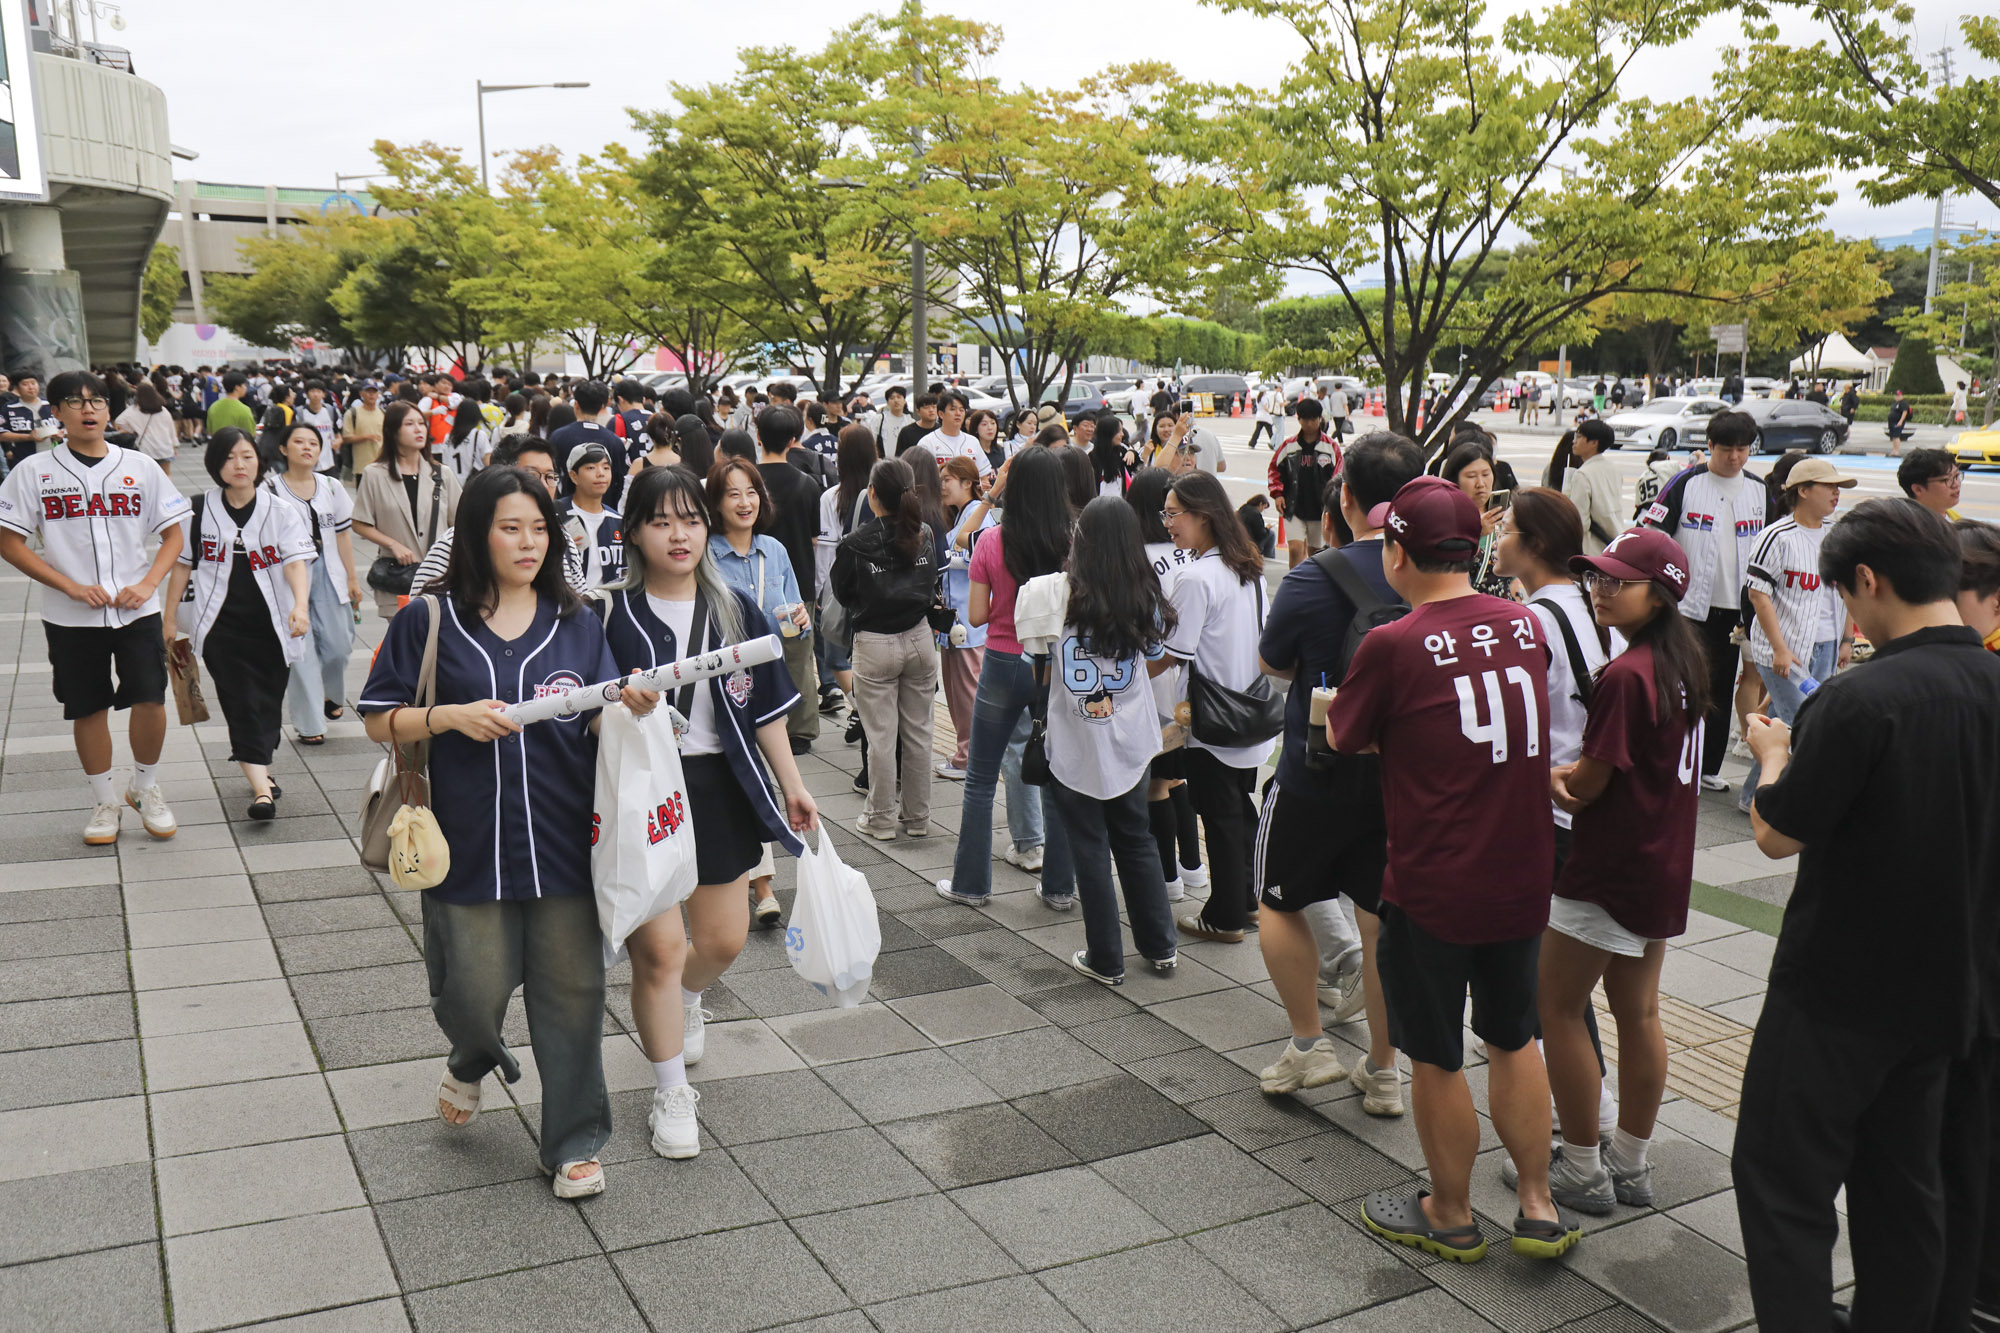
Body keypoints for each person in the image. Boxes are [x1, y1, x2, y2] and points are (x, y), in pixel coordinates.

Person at [1736, 498, 2000, 1331]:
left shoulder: (1860, 699)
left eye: (1846, 594)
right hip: (1946, 993)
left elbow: (1778, 833)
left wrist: (1773, 756)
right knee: (1904, 1185)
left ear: (1869, 581)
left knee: (1784, 1184)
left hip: (1837, 993)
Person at [361, 465, 660, 1199]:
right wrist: (448, 717)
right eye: (510, 527)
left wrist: (633, 706)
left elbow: (598, 714)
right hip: (464, 843)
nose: (528, 543)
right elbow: (377, 717)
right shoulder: (427, 619)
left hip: (562, 838)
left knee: (571, 992)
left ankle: (574, 1141)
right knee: (472, 989)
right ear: (477, 534)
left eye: (538, 529)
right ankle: (471, 1055)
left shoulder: (579, 620)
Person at [1327, 475, 1578, 1263]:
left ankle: (1451, 1209)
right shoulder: (1522, 624)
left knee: (1434, 1054)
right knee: (1514, 1039)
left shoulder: (1393, 644)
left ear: (1397, 551)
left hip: (1434, 879)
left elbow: (1343, 735)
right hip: (1521, 870)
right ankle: (1538, 1205)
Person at [601, 464, 818, 1158]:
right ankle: (669, 1090)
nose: (679, 533)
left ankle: (688, 1000)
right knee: (660, 950)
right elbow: (581, 719)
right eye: (660, 520)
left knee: (722, 939)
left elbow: (767, 712)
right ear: (633, 531)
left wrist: (793, 783)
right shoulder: (610, 615)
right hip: (645, 793)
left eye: (690, 518)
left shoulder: (734, 608)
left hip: (721, 788)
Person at [1533, 527, 1706, 1217]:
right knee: (1639, 1012)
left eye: (1618, 580)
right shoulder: (1683, 664)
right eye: (1598, 577)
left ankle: (1580, 1167)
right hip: (1664, 863)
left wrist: (1548, 778)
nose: (1601, 589)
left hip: (1608, 867)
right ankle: (1630, 1162)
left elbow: (1588, 785)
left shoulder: (1627, 676)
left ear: (1659, 595)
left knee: (1558, 1008)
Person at [1255, 432, 1426, 1115]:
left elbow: (1273, 667)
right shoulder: (1441, 573)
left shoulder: (1310, 578)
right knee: (1380, 920)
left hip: (1313, 770)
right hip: (1399, 781)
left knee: (1276, 898)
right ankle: (1384, 1071)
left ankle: (1308, 1045)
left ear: (1345, 497)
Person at [0, 370, 189, 844]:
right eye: (74, 401)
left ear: (109, 409)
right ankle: (104, 801)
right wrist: (68, 585)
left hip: (135, 610)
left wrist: (148, 583)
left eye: (97, 401)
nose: (88, 409)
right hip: (70, 616)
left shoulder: (138, 466)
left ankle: (143, 787)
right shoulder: (34, 473)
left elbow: (173, 535)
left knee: (150, 697)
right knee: (88, 706)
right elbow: (9, 542)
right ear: (56, 412)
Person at [1047, 496, 1181, 986]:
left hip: (1076, 736)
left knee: (1089, 844)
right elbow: (1154, 655)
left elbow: (1033, 654)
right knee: (1135, 836)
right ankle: (1161, 945)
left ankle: (1107, 957)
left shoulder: (1058, 593)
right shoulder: (1144, 591)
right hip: (1131, 733)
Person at [937, 446, 1076, 903]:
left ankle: (971, 885)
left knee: (979, 778)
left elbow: (976, 615)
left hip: (1000, 659)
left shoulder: (993, 541)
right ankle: (1058, 889)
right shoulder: (1071, 542)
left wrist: (1010, 609)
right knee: (1057, 777)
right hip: (1053, 664)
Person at [163, 429, 313, 817]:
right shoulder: (196, 510)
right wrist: (168, 618)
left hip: (272, 625)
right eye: (229, 457)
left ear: (259, 461)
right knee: (239, 701)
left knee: (266, 702)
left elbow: (296, 562)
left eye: (247, 456)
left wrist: (300, 606)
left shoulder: (281, 510)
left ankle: (261, 766)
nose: (240, 464)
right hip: (220, 629)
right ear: (216, 464)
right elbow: (181, 567)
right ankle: (261, 790)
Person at [1161, 471, 1275, 945]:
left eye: (1173, 514)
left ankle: (1225, 914)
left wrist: (1127, 671)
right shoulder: (1246, 568)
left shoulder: (1194, 576)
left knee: (1221, 814)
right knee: (1238, 808)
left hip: (1211, 716)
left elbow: (1173, 654)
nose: (1167, 523)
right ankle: (1246, 901)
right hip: (1249, 708)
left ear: (1203, 515)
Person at [1638, 408, 1768, 790]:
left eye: (1743, 449)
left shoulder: (1760, 491)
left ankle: (1707, 767)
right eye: (1726, 449)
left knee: (1721, 686)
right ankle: (1667, 758)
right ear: (1709, 446)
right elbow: (1652, 534)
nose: (1735, 457)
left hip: (1736, 611)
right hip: (1686, 606)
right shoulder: (1684, 484)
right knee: (1679, 684)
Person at [707, 455, 812, 921]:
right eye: (733, 493)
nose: (745, 502)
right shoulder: (704, 553)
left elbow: (789, 614)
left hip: (767, 682)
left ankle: (758, 881)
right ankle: (762, 884)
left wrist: (801, 621)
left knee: (764, 769)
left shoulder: (775, 549)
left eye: (751, 492)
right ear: (715, 502)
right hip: (721, 687)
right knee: (744, 771)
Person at [1738, 457, 1856, 810]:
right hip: (1786, 648)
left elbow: (1845, 592)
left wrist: (1846, 639)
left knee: (1792, 718)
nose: (1836, 494)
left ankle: (1752, 794)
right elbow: (1758, 594)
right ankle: (1772, 800)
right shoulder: (1774, 536)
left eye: (1839, 488)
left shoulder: (1837, 534)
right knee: (1800, 723)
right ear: (1803, 491)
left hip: (1826, 644)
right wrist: (1778, 649)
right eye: (1829, 486)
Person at [833, 457, 942, 840]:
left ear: (873, 493)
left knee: (880, 737)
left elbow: (842, 592)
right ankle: (917, 819)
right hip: (920, 637)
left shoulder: (855, 543)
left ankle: (880, 819)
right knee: (919, 733)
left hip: (874, 642)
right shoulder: (924, 533)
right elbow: (931, 580)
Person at [264, 422, 361, 745]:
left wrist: (351, 576)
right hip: (290, 579)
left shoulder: (332, 486)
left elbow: (344, 534)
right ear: (283, 449)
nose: (307, 448)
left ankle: (332, 695)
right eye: (299, 442)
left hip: (330, 576)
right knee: (300, 651)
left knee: (339, 647)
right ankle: (310, 725)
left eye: (314, 443)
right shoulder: (270, 490)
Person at [352, 401, 463, 621]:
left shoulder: (442, 474)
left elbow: (461, 522)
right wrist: (392, 544)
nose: (419, 429)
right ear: (393, 431)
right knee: (405, 648)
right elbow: (360, 523)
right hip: (398, 579)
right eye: (409, 424)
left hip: (439, 577)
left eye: (422, 423)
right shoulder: (374, 474)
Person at [754, 406, 823, 753]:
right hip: (796, 584)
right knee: (797, 657)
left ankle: (756, 718)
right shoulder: (807, 484)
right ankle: (799, 730)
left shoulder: (746, 483)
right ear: (795, 440)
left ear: (758, 435)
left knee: (750, 654)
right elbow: (814, 538)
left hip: (749, 581)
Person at [937, 455, 994, 779]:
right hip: (957, 620)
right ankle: (965, 752)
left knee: (968, 691)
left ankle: (969, 758)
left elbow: (978, 555)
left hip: (968, 622)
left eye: (948, 480)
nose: (942, 485)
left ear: (967, 483)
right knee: (958, 692)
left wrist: (951, 559)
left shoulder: (977, 515)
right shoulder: (963, 514)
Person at [1269, 399, 1340, 567]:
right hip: (1293, 508)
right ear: (1299, 419)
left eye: (1314, 419)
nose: (1310, 424)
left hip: (1320, 509)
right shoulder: (1288, 446)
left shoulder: (1330, 447)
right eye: (1305, 419)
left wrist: (1332, 503)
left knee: (1316, 554)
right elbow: (1274, 470)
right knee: (1294, 550)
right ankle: (1294, 588)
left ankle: (1311, 585)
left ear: (1320, 419)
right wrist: (1278, 494)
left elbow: (1339, 476)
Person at [1442, 440, 1514, 600]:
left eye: (1486, 474)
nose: (1480, 484)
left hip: (1503, 607)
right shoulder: (1445, 520)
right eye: (1471, 476)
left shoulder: (1506, 517)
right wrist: (1476, 533)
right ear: (1455, 480)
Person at [549, 380, 628, 508]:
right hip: (605, 509)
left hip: (567, 510)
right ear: (602, 406)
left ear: (576, 405)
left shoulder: (558, 436)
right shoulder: (614, 441)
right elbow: (619, 481)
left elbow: (552, 475)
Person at [557, 444, 624, 588]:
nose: (601, 473)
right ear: (574, 476)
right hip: (569, 604)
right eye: (591, 468)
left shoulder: (618, 521)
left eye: (606, 467)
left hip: (608, 605)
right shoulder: (556, 514)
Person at [1561, 419, 1622, 556]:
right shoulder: (1614, 469)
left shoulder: (1582, 474)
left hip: (1591, 549)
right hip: (1613, 543)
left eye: (1579, 437)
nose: (1574, 441)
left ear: (1594, 443)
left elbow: (1580, 522)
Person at [915, 390, 994, 477]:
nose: (958, 413)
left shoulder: (972, 441)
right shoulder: (927, 443)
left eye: (961, 410)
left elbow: (983, 477)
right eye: (953, 409)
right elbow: (921, 479)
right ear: (941, 414)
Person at [114, 379, 180, 474]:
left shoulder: (133, 411)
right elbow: (171, 429)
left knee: (147, 476)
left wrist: (132, 429)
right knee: (166, 475)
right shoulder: (162, 410)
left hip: (146, 448)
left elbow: (119, 421)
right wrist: (175, 445)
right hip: (165, 447)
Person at [1898, 447, 1962, 520]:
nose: (1956, 484)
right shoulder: (1905, 526)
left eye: (1956, 476)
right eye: (1946, 480)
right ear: (1918, 489)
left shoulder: (1956, 520)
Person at [442, 396, 492, 482]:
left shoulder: (448, 437)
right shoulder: (479, 435)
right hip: (473, 484)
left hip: (452, 483)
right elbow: (488, 463)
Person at [295, 382, 338, 473]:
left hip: (328, 461)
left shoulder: (330, 411)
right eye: (312, 391)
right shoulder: (300, 413)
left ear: (324, 394)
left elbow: (338, 432)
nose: (315, 394)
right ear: (306, 394)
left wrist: (338, 441)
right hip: (306, 461)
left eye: (318, 391)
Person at [205, 372, 256, 441]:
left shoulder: (213, 407)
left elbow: (210, 431)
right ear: (237, 387)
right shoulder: (244, 410)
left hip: (217, 447)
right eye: (244, 385)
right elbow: (250, 435)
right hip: (235, 448)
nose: (246, 388)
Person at [871, 385, 912, 451]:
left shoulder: (910, 421)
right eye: (892, 398)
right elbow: (872, 441)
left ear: (904, 401)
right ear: (887, 403)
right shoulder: (879, 419)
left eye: (899, 397)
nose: (896, 400)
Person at [1238, 494, 1275, 560]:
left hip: (1240, 538)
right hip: (1251, 542)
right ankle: (1269, 557)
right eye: (1264, 507)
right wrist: (1267, 529)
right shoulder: (1256, 514)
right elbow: (1261, 534)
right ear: (1260, 504)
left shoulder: (1243, 508)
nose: (1263, 510)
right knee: (1272, 534)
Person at [1249, 383, 1282, 449]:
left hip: (1259, 416)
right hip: (1265, 417)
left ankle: (1252, 443)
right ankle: (1273, 443)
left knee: (1257, 431)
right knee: (1270, 431)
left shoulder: (1258, 397)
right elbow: (1265, 407)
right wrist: (1270, 412)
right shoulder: (1264, 398)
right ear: (1264, 391)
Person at [1887, 389, 1915, 453]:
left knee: (1896, 436)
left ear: (1902, 396)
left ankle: (1896, 451)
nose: (1897, 397)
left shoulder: (1903, 403)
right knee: (1893, 437)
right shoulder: (1895, 403)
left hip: (1898, 422)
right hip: (1892, 422)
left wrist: (1900, 421)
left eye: (1899, 395)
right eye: (1896, 395)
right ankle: (1894, 450)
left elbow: (1904, 412)